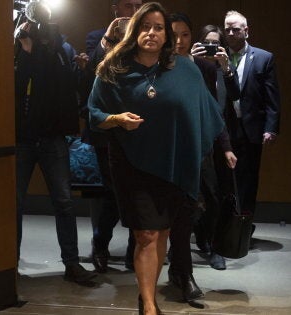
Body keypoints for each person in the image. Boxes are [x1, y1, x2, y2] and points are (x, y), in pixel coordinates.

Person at [87, 3, 224, 314]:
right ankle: (149, 306)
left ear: (167, 36)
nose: (151, 32)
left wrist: (199, 152)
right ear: (135, 31)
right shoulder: (113, 69)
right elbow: (95, 113)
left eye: (158, 27)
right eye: (145, 26)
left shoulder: (185, 70)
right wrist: (117, 119)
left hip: (174, 163)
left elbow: (205, 114)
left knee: (161, 231)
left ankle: (145, 293)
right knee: (145, 232)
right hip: (131, 162)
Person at [14, 0, 95, 284]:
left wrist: (80, 70)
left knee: (64, 202)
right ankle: (6, 266)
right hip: (21, 136)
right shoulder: (19, 45)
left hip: (52, 137)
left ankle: (71, 264)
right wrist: (25, 51)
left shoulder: (63, 49)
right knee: (15, 203)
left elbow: (66, 86)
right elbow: (15, 84)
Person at [80, 0, 143, 273]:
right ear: (115, 8)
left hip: (139, 127)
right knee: (112, 193)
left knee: (137, 192)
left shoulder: (145, 38)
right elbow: (94, 70)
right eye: (128, 5)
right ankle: (100, 245)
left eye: (138, 5)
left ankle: (134, 252)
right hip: (107, 128)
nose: (133, 10)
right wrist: (110, 35)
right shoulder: (98, 37)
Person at [190, 24, 241, 270]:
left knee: (214, 195)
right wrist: (191, 60)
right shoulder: (191, 66)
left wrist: (225, 67)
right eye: (206, 43)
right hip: (188, 140)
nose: (211, 48)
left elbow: (219, 108)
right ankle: (197, 240)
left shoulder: (221, 68)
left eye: (216, 44)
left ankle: (210, 242)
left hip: (214, 140)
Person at [223, 10, 281, 216]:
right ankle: (223, 229)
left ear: (246, 31)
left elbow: (272, 97)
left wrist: (271, 128)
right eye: (227, 29)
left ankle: (244, 228)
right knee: (224, 179)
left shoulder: (264, 58)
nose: (230, 33)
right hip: (224, 127)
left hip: (251, 128)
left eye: (235, 29)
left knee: (248, 179)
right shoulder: (219, 57)